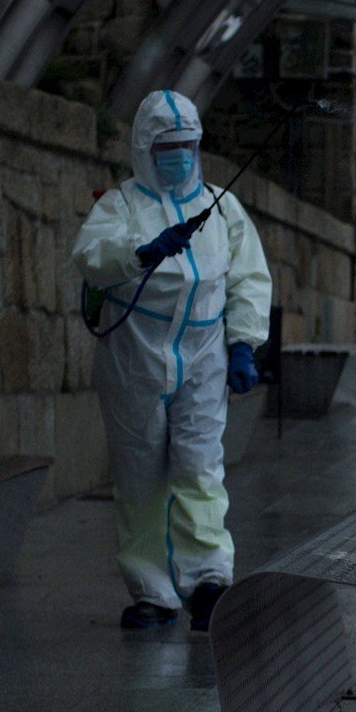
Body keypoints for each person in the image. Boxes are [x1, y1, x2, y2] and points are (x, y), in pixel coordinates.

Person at [72, 92, 272, 632]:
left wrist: (242, 345)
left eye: (187, 146)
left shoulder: (222, 208)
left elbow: (249, 279)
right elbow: (91, 257)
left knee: (199, 467)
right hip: (135, 356)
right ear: (145, 148)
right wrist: (141, 249)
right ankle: (152, 593)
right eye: (167, 147)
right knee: (140, 474)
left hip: (203, 357)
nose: (178, 156)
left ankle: (209, 582)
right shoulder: (120, 205)